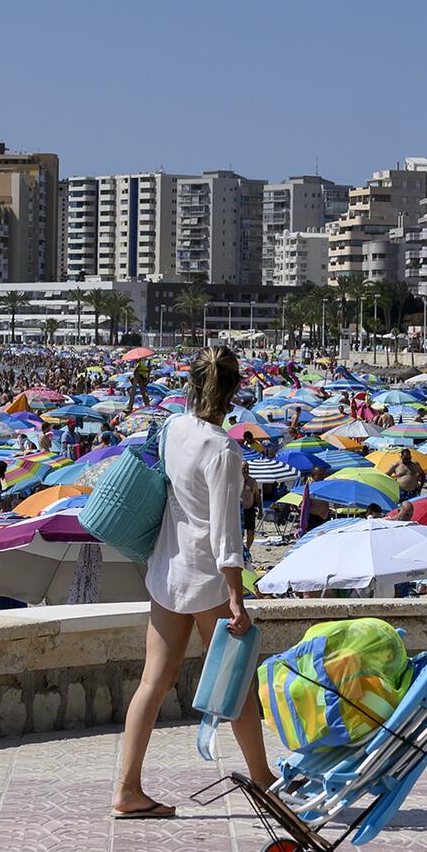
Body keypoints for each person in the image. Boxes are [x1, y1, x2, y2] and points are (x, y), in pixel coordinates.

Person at [116, 346, 269, 820]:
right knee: (237, 682)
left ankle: (127, 788)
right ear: (233, 390)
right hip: (206, 577)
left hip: (167, 567)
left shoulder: (172, 428)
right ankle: (264, 780)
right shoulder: (223, 448)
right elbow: (225, 530)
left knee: (152, 683)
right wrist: (237, 595)